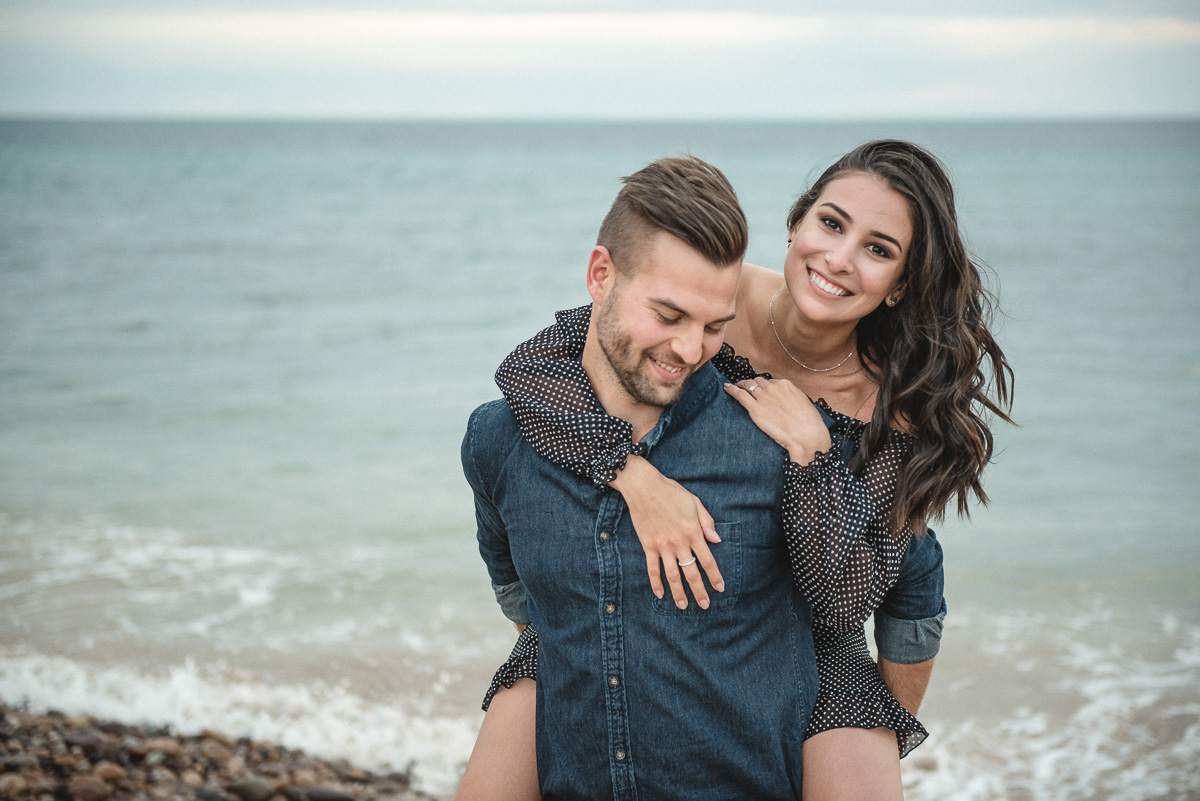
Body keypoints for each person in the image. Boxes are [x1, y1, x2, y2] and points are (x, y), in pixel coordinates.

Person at [462, 141, 1013, 800]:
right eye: (831, 224)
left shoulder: (894, 408)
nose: (838, 259)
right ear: (796, 222)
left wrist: (814, 451)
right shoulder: (714, 296)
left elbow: (876, 584)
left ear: (899, 284)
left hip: (820, 612)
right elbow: (534, 373)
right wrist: (634, 477)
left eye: (877, 248)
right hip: (630, 600)